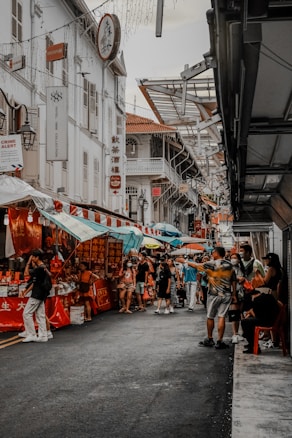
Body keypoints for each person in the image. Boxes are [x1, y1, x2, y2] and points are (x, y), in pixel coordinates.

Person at [177, 246, 237, 349]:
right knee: (221, 316)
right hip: (226, 294)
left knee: (210, 316)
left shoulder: (211, 264)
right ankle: (219, 341)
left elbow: (196, 265)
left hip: (214, 294)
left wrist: (184, 261)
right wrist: (234, 294)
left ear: (217, 253)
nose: (212, 254)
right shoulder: (230, 265)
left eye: (213, 252)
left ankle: (210, 339)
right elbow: (234, 281)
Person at [18, 249, 51, 342]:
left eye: (33, 256)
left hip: (37, 294)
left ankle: (31, 334)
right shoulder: (42, 267)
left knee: (27, 313)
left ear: (37, 257)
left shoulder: (40, 268)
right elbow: (34, 282)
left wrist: (28, 263)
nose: (31, 258)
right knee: (40, 314)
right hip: (41, 294)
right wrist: (26, 290)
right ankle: (43, 335)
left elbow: (26, 274)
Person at [241, 289, 280, 354]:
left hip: (267, 322)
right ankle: (251, 343)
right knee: (249, 321)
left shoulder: (257, 300)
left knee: (245, 322)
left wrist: (251, 312)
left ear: (252, 296)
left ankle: (253, 346)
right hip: (273, 320)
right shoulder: (268, 296)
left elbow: (257, 316)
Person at [230, 253, 245, 344]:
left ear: (239, 260)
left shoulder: (242, 268)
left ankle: (240, 333)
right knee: (234, 313)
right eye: (231, 258)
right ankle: (235, 334)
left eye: (235, 258)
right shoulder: (228, 269)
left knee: (240, 313)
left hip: (242, 293)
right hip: (233, 293)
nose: (233, 259)